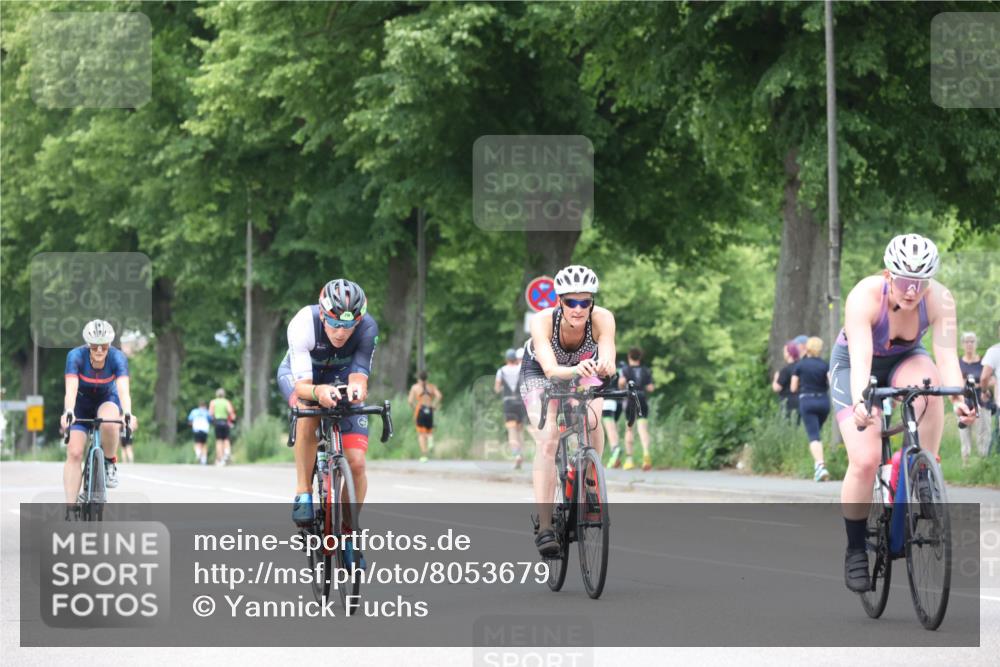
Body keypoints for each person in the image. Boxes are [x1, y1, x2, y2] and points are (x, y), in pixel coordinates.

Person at [833, 234, 977, 593]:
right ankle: (854, 549)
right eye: (903, 281)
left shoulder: (940, 298)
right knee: (865, 460)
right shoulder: (865, 296)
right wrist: (862, 402)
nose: (911, 291)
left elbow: (946, 358)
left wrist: (960, 396)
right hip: (855, 365)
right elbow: (862, 359)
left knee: (930, 390)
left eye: (920, 282)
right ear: (887, 274)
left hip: (905, 359)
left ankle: (923, 472)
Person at [276, 278, 377, 571]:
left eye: (349, 326)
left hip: (341, 376)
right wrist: (319, 392)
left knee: (356, 463)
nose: (342, 332)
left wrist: (357, 390)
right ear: (323, 314)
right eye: (334, 323)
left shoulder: (368, 328)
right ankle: (303, 491)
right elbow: (305, 385)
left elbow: (359, 376)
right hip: (304, 377)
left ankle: (347, 535)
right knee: (308, 409)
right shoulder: (302, 324)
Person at [519, 265, 616, 556]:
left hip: (584, 368)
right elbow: (549, 367)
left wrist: (606, 365)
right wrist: (575, 369)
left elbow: (608, 351)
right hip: (540, 371)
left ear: (592, 303)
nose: (578, 308)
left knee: (593, 418)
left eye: (584, 302)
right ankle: (546, 525)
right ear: (559, 301)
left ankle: (590, 483)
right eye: (571, 302)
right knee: (548, 438)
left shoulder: (602, 319)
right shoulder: (543, 320)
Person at [60, 320, 137, 514]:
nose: (100, 349)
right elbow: (71, 389)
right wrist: (68, 411)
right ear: (88, 345)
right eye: (95, 345)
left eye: (104, 345)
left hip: (107, 399)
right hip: (81, 403)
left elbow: (123, 390)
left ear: (110, 344)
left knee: (111, 424)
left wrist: (127, 413)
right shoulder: (75, 356)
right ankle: (70, 508)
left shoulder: (117, 358)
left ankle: (110, 463)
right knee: (75, 452)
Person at [790, 337, 831, 482]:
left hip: (807, 400)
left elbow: (793, 387)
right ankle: (817, 466)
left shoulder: (800, 365)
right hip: (823, 402)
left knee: (813, 436)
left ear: (807, 348)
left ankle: (820, 466)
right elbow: (831, 382)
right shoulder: (825, 365)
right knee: (816, 434)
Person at [619, 347, 655, 471]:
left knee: (629, 430)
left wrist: (623, 383)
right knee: (643, 429)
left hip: (630, 400)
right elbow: (650, 388)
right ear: (640, 358)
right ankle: (646, 453)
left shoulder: (625, 369)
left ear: (629, 357)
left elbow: (621, 383)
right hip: (642, 399)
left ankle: (629, 460)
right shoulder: (646, 370)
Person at [957, 332, 990, 464]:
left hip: (981, 402)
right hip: (964, 402)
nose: (969, 344)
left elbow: (991, 380)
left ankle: (983, 463)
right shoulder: (958, 363)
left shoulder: (983, 362)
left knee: (983, 433)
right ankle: (966, 463)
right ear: (962, 344)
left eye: (972, 341)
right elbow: (954, 381)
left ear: (976, 343)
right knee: (964, 435)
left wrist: (980, 385)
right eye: (967, 341)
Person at [495, 348, 527, 469]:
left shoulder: (501, 371)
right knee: (520, 430)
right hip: (521, 403)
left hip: (509, 403)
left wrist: (504, 388)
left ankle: (516, 455)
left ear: (506, 359)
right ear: (515, 359)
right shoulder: (521, 369)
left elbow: (497, 388)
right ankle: (521, 455)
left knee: (511, 431)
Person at [408, 371, 443, 463]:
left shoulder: (415, 387)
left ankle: (424, 455)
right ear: (426, 378)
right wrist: (434, 405)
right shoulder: (431, 387)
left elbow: (410, 401)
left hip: (420, 410)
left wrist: (414, 408)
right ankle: (430, 440)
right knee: (429, 431)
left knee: (421, 434)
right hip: (430, 410)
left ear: (418, 378)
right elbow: (439, 396)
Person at [771, 341, 801, 421]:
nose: (784, 354)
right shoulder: (801, 367)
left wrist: (775, 378)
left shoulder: (785, 370)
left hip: (788, 403)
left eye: (785, 351)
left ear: (789, 353)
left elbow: (777, 388)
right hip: (802, 401)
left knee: (789, 423)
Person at [208, 388, 236, 465]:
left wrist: (212, 420)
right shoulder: (226, 402)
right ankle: (227, 453)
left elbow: (210, 413)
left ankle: (220, 458)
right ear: (224, 395)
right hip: (225, 422)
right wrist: (232, 421)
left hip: (217, 422)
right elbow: (231, 413)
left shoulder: (213, 402)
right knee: (226, 439)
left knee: (219, 441)